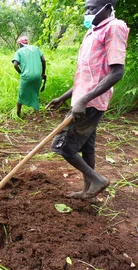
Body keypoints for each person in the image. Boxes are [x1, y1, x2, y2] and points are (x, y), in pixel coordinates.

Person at [46, 0, 129, 200]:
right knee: (86, 147)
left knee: (62, 146)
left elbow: (117, 72)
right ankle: (87, 191)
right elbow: (88, 75)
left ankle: (97, 180)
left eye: (91, 9)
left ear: (107, 7)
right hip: (83, 100)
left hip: (90, 103)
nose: (87, 13)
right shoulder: (92, 31)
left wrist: (84, 100)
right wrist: (63, 97)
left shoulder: (114, 27)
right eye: (86, 9)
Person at [12, 36, 46, 121]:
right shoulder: (36, 48)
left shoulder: (19, 51)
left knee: (21, 94)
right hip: (38, 76)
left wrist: (21, 73)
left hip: (26, 76)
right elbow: (44, 60)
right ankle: (38, 117)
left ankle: (18, 114)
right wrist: (43, 73)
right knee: (34, 94)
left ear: (20, 44)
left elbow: (15, 65)